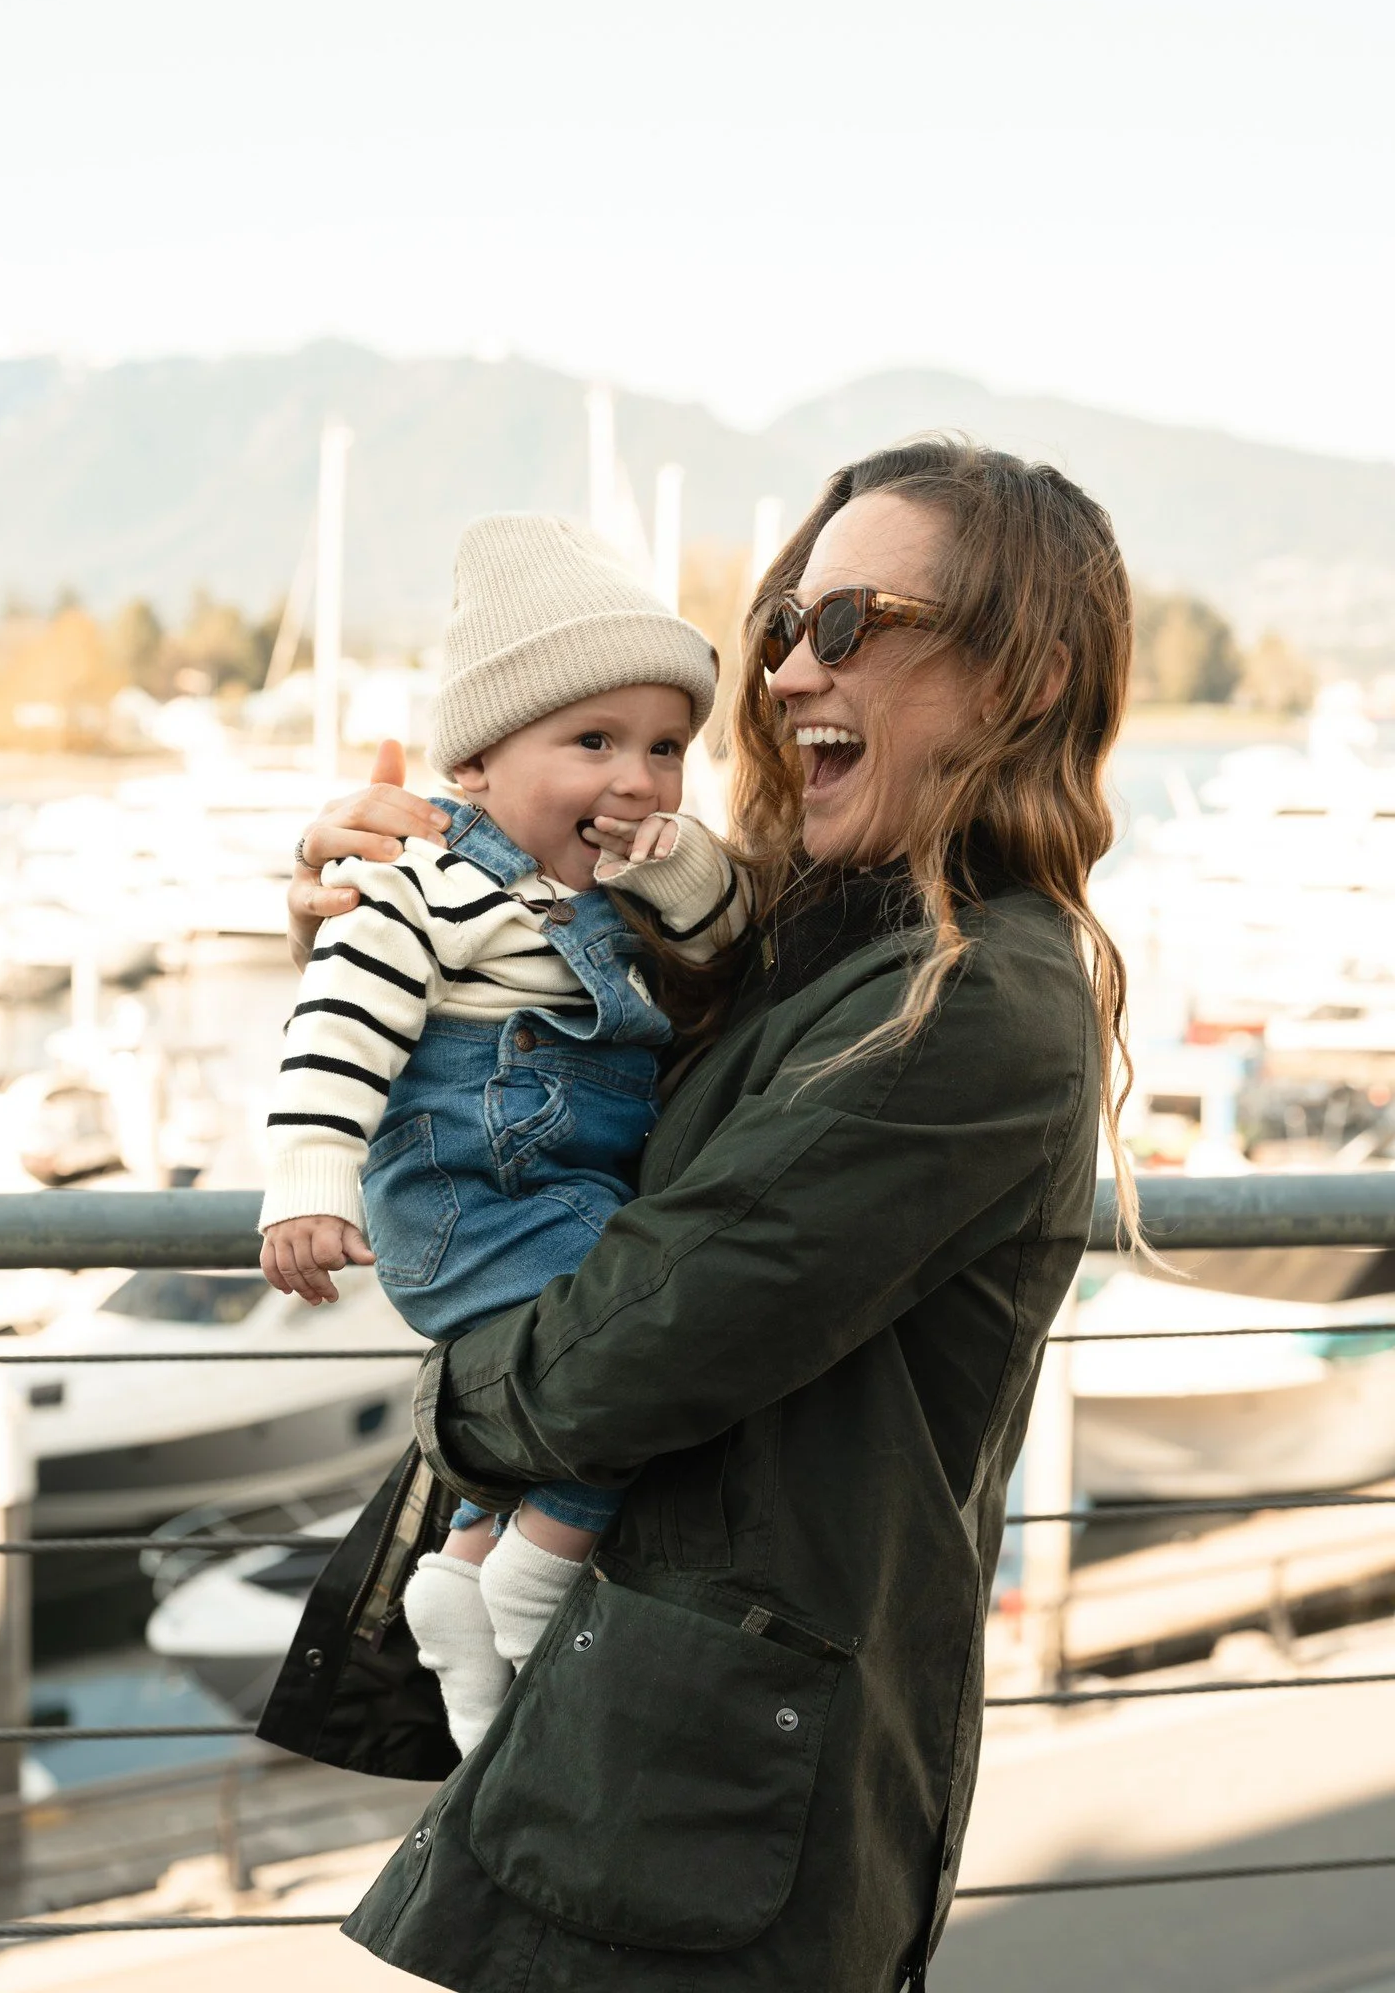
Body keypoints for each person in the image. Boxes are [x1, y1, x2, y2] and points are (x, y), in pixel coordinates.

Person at [257, 437, 1135, 1993]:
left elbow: (621, 1356)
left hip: (723, 1803)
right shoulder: (813, 942)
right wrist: (425, 882)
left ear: (1024, 677)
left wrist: (455, 1401)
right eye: (785, 620)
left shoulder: (975, 1001)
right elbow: (538, 1050)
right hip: (642, 1744)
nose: (792, 669)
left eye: (854, 623)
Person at [256, 513, 747, 1753]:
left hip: (555, 1194)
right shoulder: (423, 883)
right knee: (640, 1343)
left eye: (666, 748)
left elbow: (729, 933)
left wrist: (681, 875)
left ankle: (468, 1571)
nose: (636, 780)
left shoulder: (616, 894)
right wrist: (310, 1180)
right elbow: (338, 1023)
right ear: (474, 765)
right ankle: (541, 1567)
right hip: (473, 1198)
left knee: (622, 1338)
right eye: (592, 742)